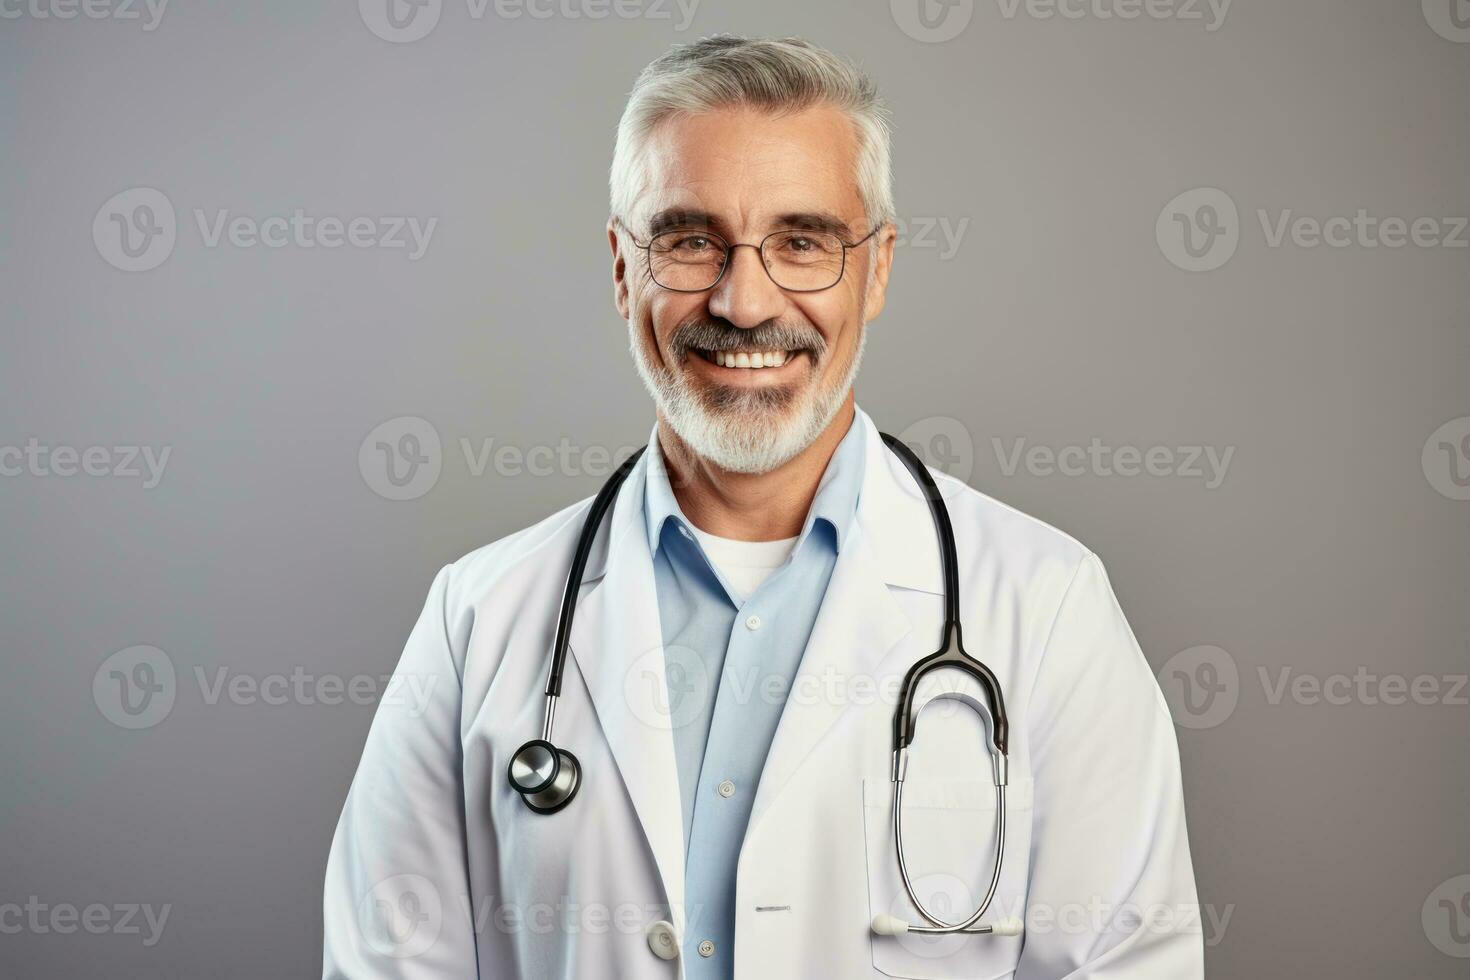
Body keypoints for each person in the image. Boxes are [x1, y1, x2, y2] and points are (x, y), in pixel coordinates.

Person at [323, 34, 1202, 979]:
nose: (745, 302)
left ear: (878, 270)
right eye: (691, 239)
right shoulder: (479, 617)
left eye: (802, 241)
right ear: (623, 269)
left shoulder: (1048, 607)